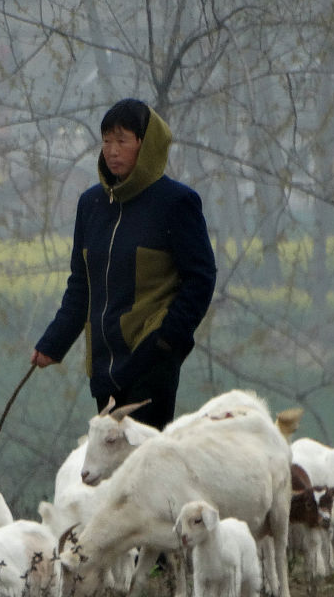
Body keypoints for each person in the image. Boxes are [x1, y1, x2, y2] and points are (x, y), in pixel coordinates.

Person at [31, 98, 217, 430]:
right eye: (106, 141)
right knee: (107, 468)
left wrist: (166, 341)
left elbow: (200, 279)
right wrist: (52, 344)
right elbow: (81, 285)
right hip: (104, 365)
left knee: (140, 467)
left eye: (122, 140)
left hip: (150, 361)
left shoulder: (175, 203)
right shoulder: (91, 205)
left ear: (144, 145)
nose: (112, 150)